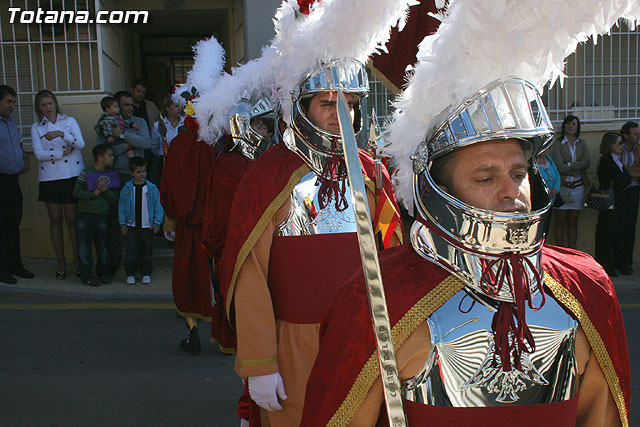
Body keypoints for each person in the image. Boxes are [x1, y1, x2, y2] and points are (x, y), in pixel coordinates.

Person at [301, 1, 630, 422]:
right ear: (441, 192)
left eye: (519, 172)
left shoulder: (586, 289)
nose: (512, 190)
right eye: (486, 178)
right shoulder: (379, 300)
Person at [218, 63, 403, 426]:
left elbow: (393, 262)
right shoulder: (268, 175)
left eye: (349, 103)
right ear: (302, 108)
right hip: (294, 347)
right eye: (327, 103)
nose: (341, 114)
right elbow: (250, 276)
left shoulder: (371, 174)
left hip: (363, 342)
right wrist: (260, 363)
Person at [202, 99, 276, 357]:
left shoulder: (252, 160)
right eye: (260, 126)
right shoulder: (232, 164)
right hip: (235, 246)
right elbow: (224, 217)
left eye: (266, 127)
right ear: (244, 127)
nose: (266, 132)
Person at [30, 89, 85, 280]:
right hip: (50, 177)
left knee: (72, 219)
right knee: (55, 220)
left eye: (50, 103)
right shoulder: (36, 127)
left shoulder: (69, 121)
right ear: (39, 108)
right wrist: (61, 154)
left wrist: (62, 134)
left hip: (70, 175)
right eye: (43, 105)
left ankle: (78, 260)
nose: (48, 108)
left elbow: (80, 143)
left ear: (55, 104)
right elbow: (38, 154)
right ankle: (61, 262)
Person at [102, 91, 151, 278]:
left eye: (131, 104)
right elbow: (106, 149)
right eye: (125, 105)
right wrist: (127, 145)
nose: (130, 108)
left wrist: (122, 135)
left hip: (137, 179)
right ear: (116, 106)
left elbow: (145, 143)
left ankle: (141, 265)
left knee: (139, 222)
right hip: (117, 176)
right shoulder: (108, 121)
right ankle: (115, 262)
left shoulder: (140, 122)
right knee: (116, 222)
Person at [0, 84, 33, 285]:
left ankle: (15, 265)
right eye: (8, 101)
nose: (12, 105)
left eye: (14, 102)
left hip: (13, 181)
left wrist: (22, 159)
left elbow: (17, 146)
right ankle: (2, 269)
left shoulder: (11, 123)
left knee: (13, 225)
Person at [73, 145, 116, 287]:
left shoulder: (112, 176)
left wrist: (105, 190)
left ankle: (103, 273)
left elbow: (115, 199)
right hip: (84, 214)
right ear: (100, 158)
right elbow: (76, 192)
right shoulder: (86, 172)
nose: (112, 158)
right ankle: (87, 276)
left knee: (102, 246)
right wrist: (93, 194)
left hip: (102, 215)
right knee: (83, 246)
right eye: (109, 155)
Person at [118, 157, 163, 285]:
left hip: (147, 227)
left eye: (143, 171)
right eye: (138, 172)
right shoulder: (126, 189)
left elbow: (158, 206)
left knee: (146, 251)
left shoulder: (152, 189)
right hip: (132, 226)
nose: (142, 174)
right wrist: (122, 223)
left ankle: (146, 272)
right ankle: (131, 273)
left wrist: (157, 222)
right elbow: (121, 206)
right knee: (131, 251)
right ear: (132, 173)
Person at [594, 132, 631, 277]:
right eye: (618, 143)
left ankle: (614, 262)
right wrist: (624, 178)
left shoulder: (617, 160)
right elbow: (620, 179)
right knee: (606, 234)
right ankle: (605, 264)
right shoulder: (607, 160)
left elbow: (625, 178)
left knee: (616, 233)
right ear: (610, 144)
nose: (621, 146)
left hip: (619, 203)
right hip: (610, 203)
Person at [551, 115, 590, 248]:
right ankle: (560, 251)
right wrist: (575, 166)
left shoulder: (582, 143)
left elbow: (586, 163)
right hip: (563, 186)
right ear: (564, 126)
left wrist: (569, 165)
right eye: (568, 124)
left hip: (578, 187)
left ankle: (572, 251)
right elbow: (559, 167)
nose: (571, 126)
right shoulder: (557, 144)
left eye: (574, 124)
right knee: (560, 221)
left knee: (573, 222)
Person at [614, 121, 640, 275]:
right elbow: (620, 171)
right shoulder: (619, 149)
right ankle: (617, 261)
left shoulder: (638, 149)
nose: (638, 136)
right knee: (618, 228)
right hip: (620, 193)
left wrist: (630, 171)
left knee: (631, 228)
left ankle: (627, 262)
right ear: (626, 135)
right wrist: (631, 171)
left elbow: (629, 171)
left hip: (634, 192)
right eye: (635, 134)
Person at [149, 94, 184, 185]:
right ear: (167, 108)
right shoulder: (158, 125)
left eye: (180, 106)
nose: (179, 108)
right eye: (176, 106)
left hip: (183, 162)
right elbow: (154, 147)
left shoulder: (186, 123)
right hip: (165, 162)